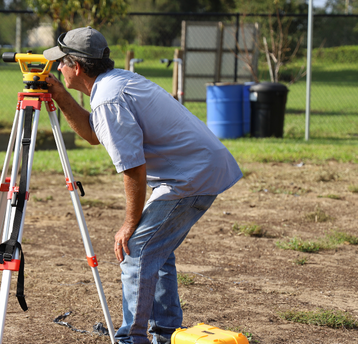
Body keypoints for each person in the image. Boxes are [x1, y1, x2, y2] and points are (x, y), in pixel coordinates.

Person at [43, 27, 242, 344]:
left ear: (76, 67)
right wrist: (61, 96)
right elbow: (94, 134)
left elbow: (133, 168)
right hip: (198, 169)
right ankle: (166, 331)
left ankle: (132, 339)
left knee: (135, 250)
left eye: (60, 63)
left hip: (189, 177)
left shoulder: (109, 98)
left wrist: (128, 223)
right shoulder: (116, 83)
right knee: (155, 251)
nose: (56, 69)